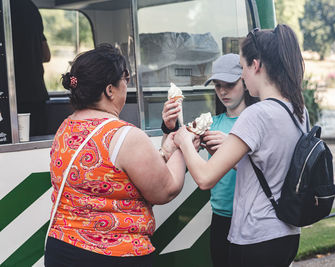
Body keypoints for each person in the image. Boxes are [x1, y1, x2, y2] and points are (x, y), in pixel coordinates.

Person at [173, 24, 308, 267]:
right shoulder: (298, 110)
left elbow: (205, 178)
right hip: (287, 233)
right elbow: (271, 167)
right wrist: (229, 156)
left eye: (243, 68)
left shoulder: (256, 115)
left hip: (255, 237)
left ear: (255, 65)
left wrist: (184, 141)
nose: (243, 76)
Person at [45, 44, 187, 267]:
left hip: (62, 249)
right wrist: (183, 144)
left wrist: (165, 152)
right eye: (126, 79)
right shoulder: (124, 136)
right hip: (115, 255)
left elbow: (111, 176)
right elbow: (165, 190)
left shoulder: (66, 127)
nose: (126, 85)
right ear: (110, 89)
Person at [161, 53, 258, 267]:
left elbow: (267, 170)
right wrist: (170, 126)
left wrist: (231, 150)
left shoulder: (256, 121)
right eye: (217, 85)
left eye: (229, 84)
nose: (223, 91)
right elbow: (172, 149)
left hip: (252, 218)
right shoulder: (211, 123)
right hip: (220, 217)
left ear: (244, 81)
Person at [11, 0, 51, 137]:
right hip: (36, 93)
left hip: (11, 97)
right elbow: (46, 55)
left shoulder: (5, 7)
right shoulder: (31, 8)